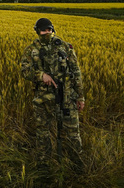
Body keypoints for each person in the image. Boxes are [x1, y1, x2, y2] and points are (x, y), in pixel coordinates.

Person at [20, 17, 85, 167]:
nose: (46, 33)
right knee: (43, 132)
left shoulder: (65, 47)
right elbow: (24, 70)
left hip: (67, 97)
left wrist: (80, 97)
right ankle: (44, 164)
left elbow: (76, 72)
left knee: (73, 133)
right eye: (43, 30)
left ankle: (77, 164)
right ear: (37, 31)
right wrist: (41, 75)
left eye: (49, 30)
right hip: (43, 99)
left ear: (53, 29)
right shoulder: (31, 50)